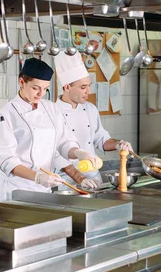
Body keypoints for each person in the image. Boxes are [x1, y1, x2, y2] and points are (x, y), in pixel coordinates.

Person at [0, 58, 102, 202]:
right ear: (22, 82)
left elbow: (64, 143)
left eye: (45, 89)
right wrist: (38, 177)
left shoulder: (51, 108)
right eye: (36, 88)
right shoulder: (6, 114)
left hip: (42, 190)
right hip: (14, 190)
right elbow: (8, 161)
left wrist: (81, 153)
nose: (40, 94)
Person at [54, 53, 133, 184]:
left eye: (89, 85)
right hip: (66, 182)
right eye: (83, 87)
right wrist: (81, 178)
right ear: (67, 87)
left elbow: (101, 139)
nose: (89, 92)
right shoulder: (52, 113)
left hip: (93, 177)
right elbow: (57, 154)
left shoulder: (90, 109)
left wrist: (118, 144)